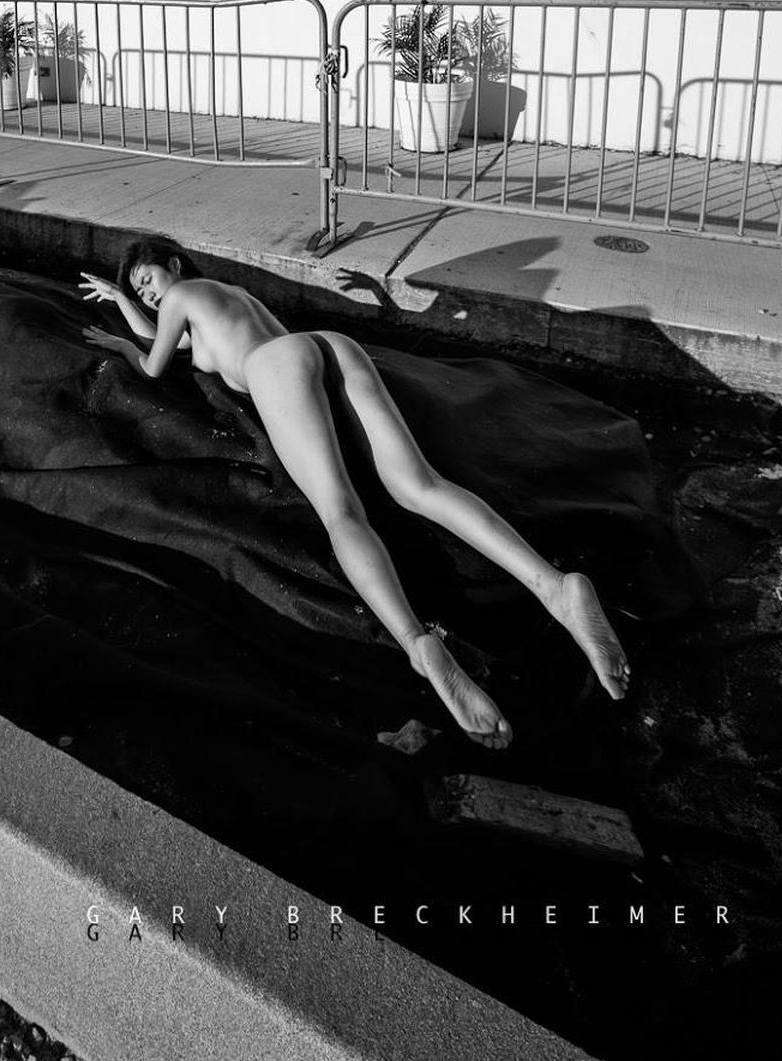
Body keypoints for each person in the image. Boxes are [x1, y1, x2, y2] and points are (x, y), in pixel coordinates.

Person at [80, 235, 630, 750]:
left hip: (274, 367)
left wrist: (122, 346)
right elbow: (172, 338)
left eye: (147, 279)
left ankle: (418, 643)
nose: (149, 294)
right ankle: (556, 587)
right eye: (140, 292)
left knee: (341, 512)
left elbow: (153, 364)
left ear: (174, 264)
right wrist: (123, 301)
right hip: (327, 346)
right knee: (422, 485)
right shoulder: (226, 296)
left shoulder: (182, 296)